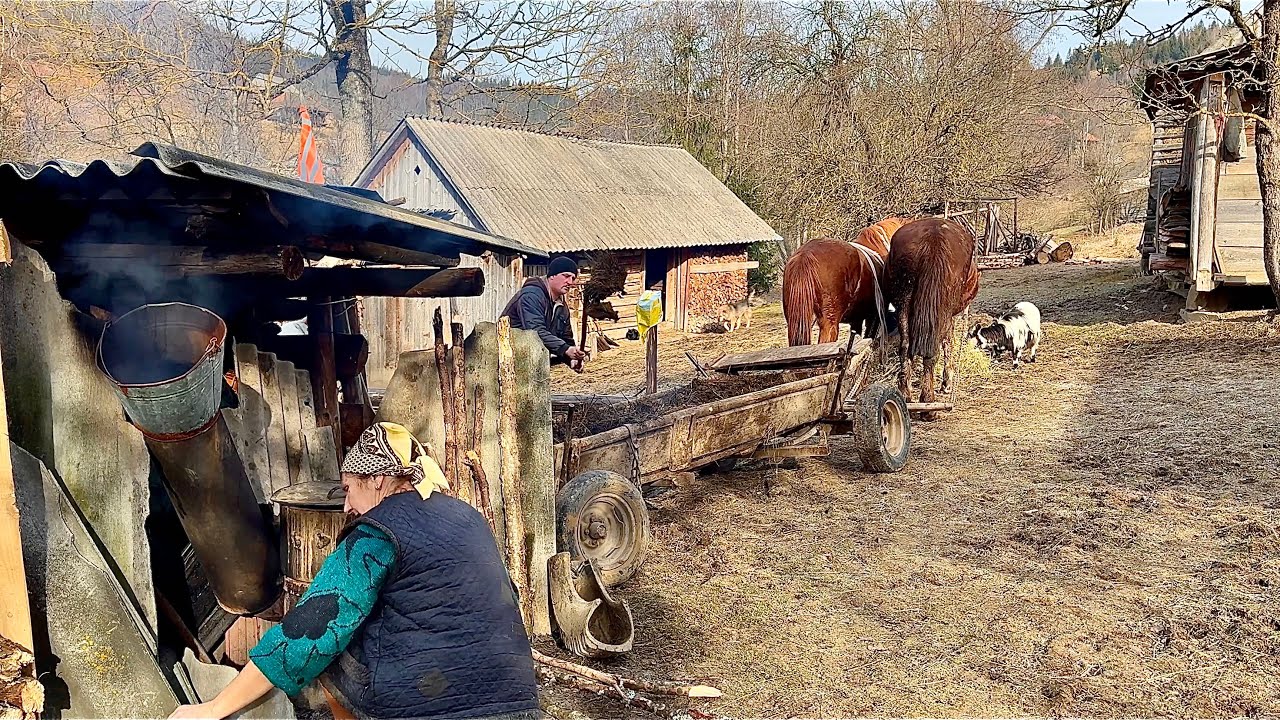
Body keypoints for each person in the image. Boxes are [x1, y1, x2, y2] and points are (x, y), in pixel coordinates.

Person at [169, 422, 541, 720]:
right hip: (519, 703)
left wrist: (213, 709)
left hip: (427, 708)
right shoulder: (469, 517)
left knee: (327, 648)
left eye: (349, 489)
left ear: (377, 479)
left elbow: (305, 637)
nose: (347, 504)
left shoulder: (378, 533)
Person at [501, 256, 584, 373]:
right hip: (507, 357)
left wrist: (571, 358)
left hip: (530, 361)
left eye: (573, 278)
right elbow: (535, 331)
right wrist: (565, 349)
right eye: (565, 276)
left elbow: (566, 337)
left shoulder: (561, 305)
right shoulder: (531, 296)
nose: (570, 282)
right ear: (552, 276)